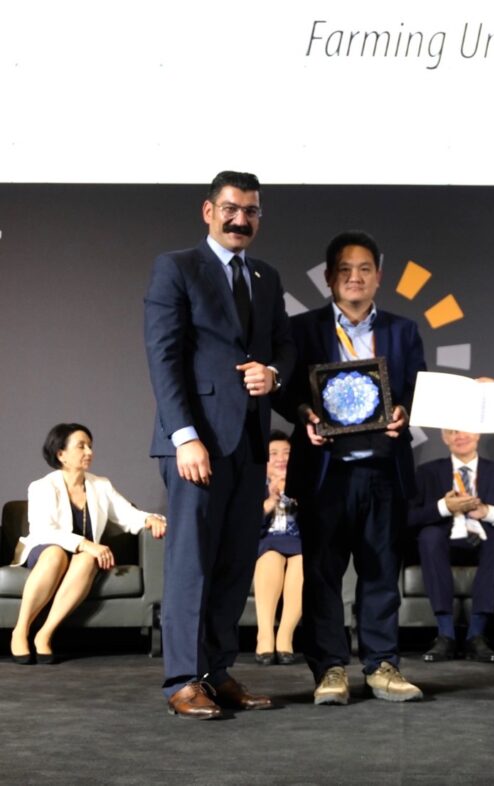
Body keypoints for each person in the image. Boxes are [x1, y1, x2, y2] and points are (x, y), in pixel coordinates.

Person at [144, 171, 295, 719]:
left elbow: (284, 345)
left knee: (233, 565)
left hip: (249, 444)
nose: (240, 219)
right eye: (231, 208)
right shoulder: (177, 267)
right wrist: (185, 436)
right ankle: (182, 680)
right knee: (192, 565)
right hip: (196, 444)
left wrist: (273, 374)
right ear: (208, 211)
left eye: (251, 211)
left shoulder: (266, 276)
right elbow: (163, 357)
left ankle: (215, 672)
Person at [274, 229, 426, 705]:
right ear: (328, 277)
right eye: (344, 269)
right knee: (322, 576)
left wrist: (403, 410)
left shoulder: (403, 330)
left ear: (379, 276)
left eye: (364, 269)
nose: (354, 277)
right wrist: (305, 413)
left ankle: (382, 665)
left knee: (381, 573)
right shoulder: (302, 329)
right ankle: (330, 669)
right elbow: (284, 392)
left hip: (383, 472)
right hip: (326, 474)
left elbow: (417, 387)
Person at [10, 423, 167, 664]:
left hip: (81, 558)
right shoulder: (42, 486)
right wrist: (86, 543)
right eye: (81, 446)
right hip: (45, 551)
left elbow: (127, 514)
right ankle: (20, 630)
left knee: (87, 558)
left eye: (90, 446)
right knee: (56, 554)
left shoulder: (100, 485)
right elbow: (44, 530)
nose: (89, 452)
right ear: (61, 454)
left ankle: (45, 633)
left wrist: (149, 519)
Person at [407, 428, 494, 663]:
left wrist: (488, 512)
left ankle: (476, 635)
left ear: (477, 434)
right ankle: (445, 635)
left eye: (465, 431)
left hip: (485, 542)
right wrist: (444, 507)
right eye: (452, 432)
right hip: (444, 543)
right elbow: (407, 518)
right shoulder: (428, 472)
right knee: (429, 536)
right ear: (444, 438)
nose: (460, 436)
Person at [253, 430, 303, 665]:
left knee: (302, 562)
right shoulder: (253, 485)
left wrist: (297, 494)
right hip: (266, 543)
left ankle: (285, 636)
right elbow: (245, 528)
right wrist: (271, 500)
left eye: (286, 453)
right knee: (271, 557)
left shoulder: (305, 482)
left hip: (300, 545)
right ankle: (265, 635)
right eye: (274, 454)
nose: (281, 458)